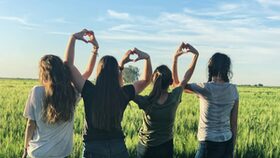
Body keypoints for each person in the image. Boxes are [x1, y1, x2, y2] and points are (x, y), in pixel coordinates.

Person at [64, 29, 152, 158]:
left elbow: (68, 65)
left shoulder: (89, 90)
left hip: (93, 149)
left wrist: (73, 37)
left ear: (99, 73)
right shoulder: (123, 93)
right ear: (117, 73)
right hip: (118, 148)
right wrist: (147, 58)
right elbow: (146, 80)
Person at [22, 38, 97, 158]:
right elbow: (87, 72)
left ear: (43, 73)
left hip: (38, 152)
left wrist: (25, 149)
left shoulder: (36, 91)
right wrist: (95, 49)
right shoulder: (71, 92)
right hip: (61, 153)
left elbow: (31, 124)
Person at [134, 42, 199, 158]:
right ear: (170, 82)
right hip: (166, 148)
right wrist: (194, 55)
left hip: (146, 149)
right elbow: (185, 78)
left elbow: (125, 92)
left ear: (153, 81)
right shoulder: (174, 97)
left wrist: (121, 66)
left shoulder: (146, 101)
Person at [181, 52, 239, 158]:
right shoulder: (233, 90)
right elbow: (234, 124)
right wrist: (231, 150)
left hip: (208, 143)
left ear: (210, 68)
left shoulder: (205, 88)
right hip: (227, 143)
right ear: (227, 69)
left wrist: (177, 58)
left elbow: (179, 86)